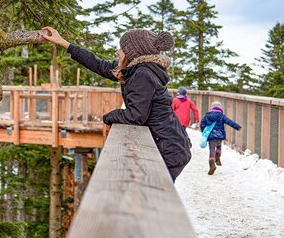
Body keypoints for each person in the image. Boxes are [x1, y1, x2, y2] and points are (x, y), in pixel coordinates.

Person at [41, 26, 191, 182]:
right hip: (167, 143)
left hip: (168, 149)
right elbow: (98, 64)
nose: (118, 51)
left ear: (133, 52)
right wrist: (64, 43)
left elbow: (136, 116)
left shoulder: (142, 74)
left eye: (122, 48)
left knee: (155, 198)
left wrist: (109, 116)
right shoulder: (134, 70)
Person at [200, 101, 241, 175]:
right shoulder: (221, 115)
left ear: (212, 107)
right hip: (219, 135)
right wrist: (237, 127)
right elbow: (229, 122)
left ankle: (212, 164)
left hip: (211, 135)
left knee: (212, 149)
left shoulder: (207, 115)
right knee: (219, 146)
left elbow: (202, 124)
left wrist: (204, 132)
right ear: (220, 108)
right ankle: (218, 158)